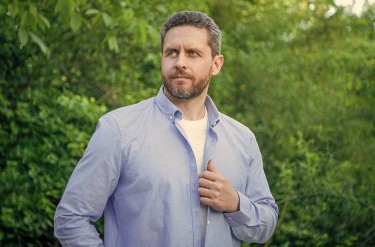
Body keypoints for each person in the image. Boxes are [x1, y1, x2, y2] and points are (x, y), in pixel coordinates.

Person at [54, 10, 278, 247]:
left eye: (192, 53)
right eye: (172, 52)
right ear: (162, 58)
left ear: (216, 64)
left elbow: (266, 224)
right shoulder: (118, 130)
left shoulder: (242, 139)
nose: (180, 62)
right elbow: (71, 218)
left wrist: (236, 204)